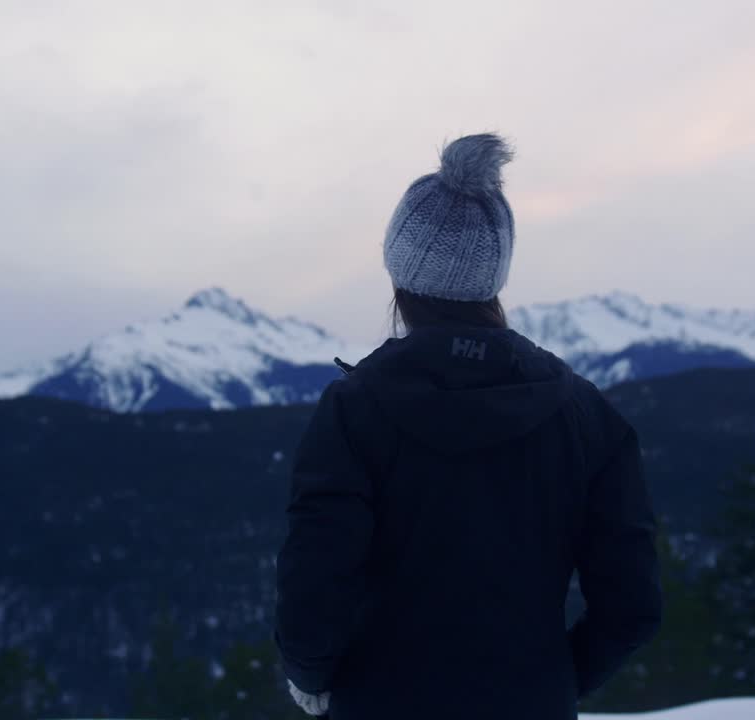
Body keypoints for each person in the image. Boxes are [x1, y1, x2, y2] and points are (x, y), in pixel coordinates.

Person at [274, 133, 662, 719]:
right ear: (493, 278)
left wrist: (311, 673)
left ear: (400, 271)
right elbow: (631, 604)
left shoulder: (354, 410)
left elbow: (316, 571)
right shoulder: (586, 415)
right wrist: (552, 682)